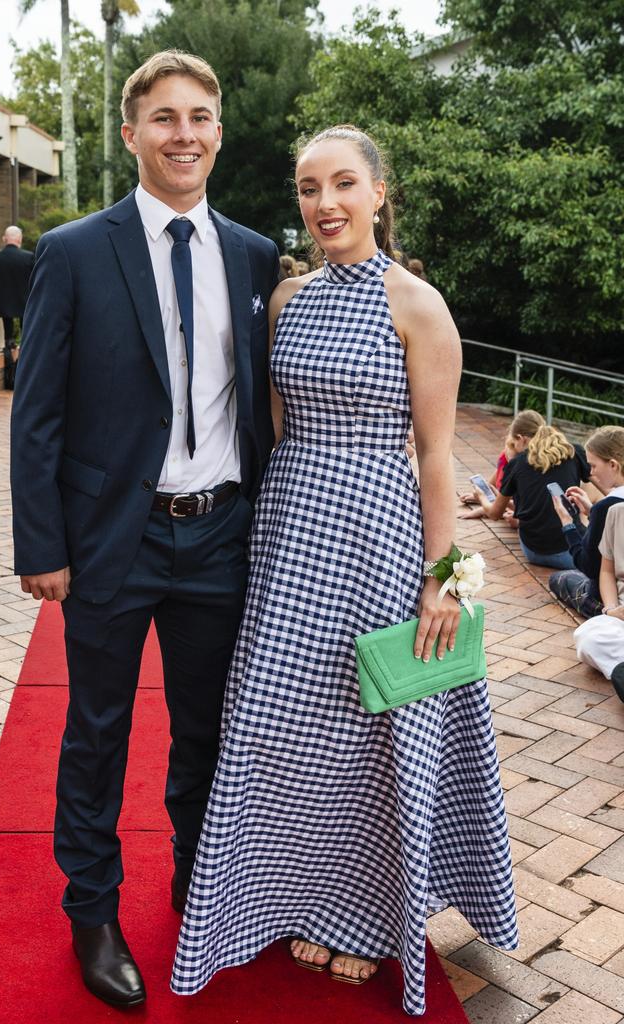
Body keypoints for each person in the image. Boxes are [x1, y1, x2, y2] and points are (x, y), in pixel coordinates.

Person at [171, 125, 517, 1016]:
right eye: (307, 188)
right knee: (291, 732)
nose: (324, 204)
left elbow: (439, 457)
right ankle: (297, 897)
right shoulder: (288, 298)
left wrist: (451, 578)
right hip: (291, 537)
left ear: (378, 194)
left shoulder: (418, 304)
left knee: (373, 738)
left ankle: (368, 921)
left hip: (382, 535)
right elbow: (280, 430)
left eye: (343, 185)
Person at [10, 50, 279, 1010]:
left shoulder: (251, 255)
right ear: (131, 134)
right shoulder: (77, 250)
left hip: (220, 535)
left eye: (200, 116)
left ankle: (203, 890)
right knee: (97, 733)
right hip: (110, 539)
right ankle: (93, 910)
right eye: (163, 118)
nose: (184, 134)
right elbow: (36, 410)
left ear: (219, 130)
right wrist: (40, 544)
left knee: (210, 733)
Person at [477, 421, 590, 568]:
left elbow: (494, 514)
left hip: (533, 552)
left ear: (521, 438)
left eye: (512, 444)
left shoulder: (517, 463)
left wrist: (481, 497)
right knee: (589, 485)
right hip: (572, 554)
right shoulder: (575, 452)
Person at [548, 426, 624, 617]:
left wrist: (568, 524)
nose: (591, 473)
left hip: (605, 598)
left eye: (594, 466)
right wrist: (591, 511)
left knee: (561, 578)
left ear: (614, 465)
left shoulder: (605, 508)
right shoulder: (609, 508)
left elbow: (589, 567)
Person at [574, 503, 624, 699]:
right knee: (587, 637)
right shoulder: (616, 512)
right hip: (620, 614)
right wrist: (611, 609)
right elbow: (606, 571)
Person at [0, 226, 35, 344]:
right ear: (20, 239)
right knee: (26, 322)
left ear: (4, 239)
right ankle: (25, 344)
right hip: (25, 300)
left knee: (7, 318)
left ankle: (8, 342)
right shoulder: (29, 257)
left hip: (3, 301)